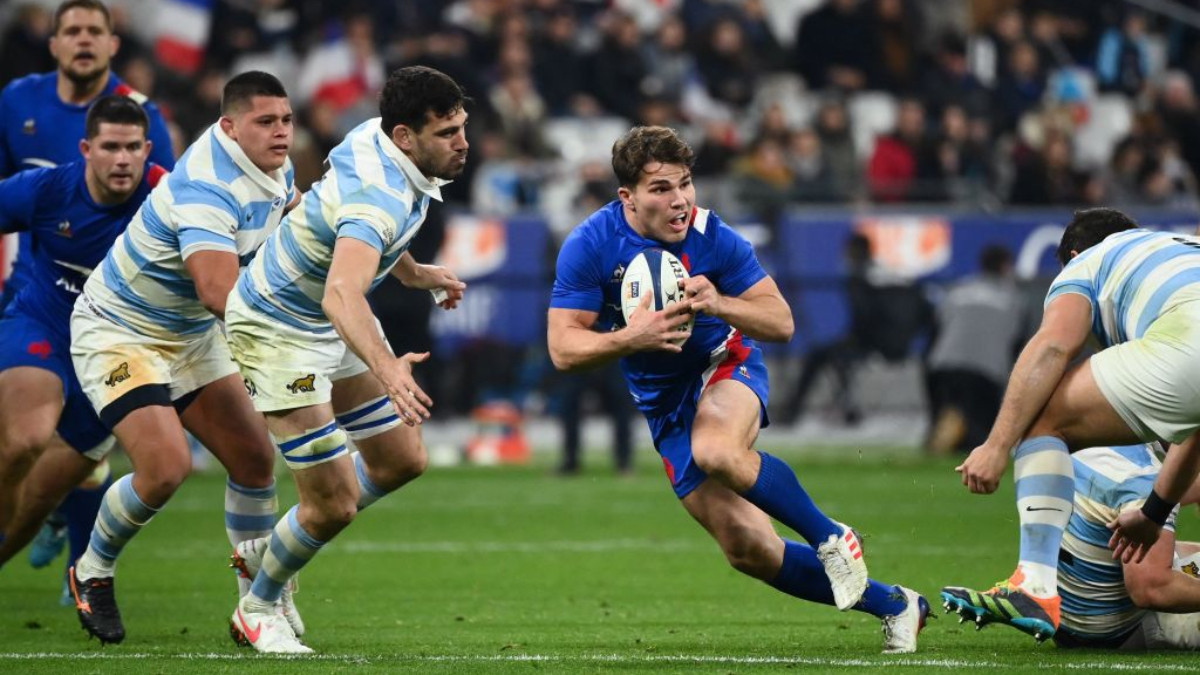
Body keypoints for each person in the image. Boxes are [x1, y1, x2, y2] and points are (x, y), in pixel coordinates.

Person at [546, 125, 929, 654]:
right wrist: (633, 336)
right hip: (664, 408)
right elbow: (563, 349)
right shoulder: (590, 244)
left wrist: (719, 303)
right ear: (627, 197)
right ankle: (898, 604)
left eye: (685, 183)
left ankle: (830, 536)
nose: (679, 200)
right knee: (749, 549)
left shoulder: (716, 236)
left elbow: (781, 322)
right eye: (661, 188)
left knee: (718, 449)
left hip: (724, 364)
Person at [224, 65, 468, 654]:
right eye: (447, 133)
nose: (463, 144)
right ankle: (257, 606)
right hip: (278, 327)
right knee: (333, 503)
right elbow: (342, 290)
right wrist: (389, 368)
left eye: (463, 128)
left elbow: (335, 210)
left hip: (325, 317)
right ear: (406, 137)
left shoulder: (372, 137)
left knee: (401, 461)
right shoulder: (378, 199)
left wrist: (411, 272)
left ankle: (275, 543)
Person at [66, 71, 294, 645]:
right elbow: (219, 292)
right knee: (166, 468)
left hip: (188, 333)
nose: (282, 133)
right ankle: (92, 569)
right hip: (120, 330)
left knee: (253, 461)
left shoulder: (273, 166)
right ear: (229, 126)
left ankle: (255, 603)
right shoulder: (206, 186)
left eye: (286, 119)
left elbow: (289, 218)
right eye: (266, 122)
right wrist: (288, 341)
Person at [949, 207, 1200, 642]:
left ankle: (1035, 584)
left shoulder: (1088, 261)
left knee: (1041, 412)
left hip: (1188, 339)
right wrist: (1155, 510)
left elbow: (1052, 347)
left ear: (1073, 252)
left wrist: (996, 445)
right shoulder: (1176, 250)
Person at [0, 0, 175, 587]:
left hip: (117, 328)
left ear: (112, 43)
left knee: (63, 473)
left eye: (92, 31)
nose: (82, 41)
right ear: (52, 44)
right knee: (23, 438)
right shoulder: (19, 106)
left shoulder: (143, 119)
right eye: (70, 30)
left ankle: (79, 564)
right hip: (40, 300)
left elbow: (178, 218)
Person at [945, 443, 1200, 650]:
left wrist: (993, 445)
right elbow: (1151, 588)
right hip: (1116, 630)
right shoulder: (1142, 476)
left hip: (1064, 615)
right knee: (1158, 574)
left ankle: (1032, 589)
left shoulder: (1066, 434)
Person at [925, 245, 1025, 454]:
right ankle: (960, 431)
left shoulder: (957, 291)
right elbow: (1018, 344)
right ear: (1005, 267)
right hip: (984, 373)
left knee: (950, 412)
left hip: (941, 368)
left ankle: (948, 427)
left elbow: (935, 331)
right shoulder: (1014, 300)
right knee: (981, 436)